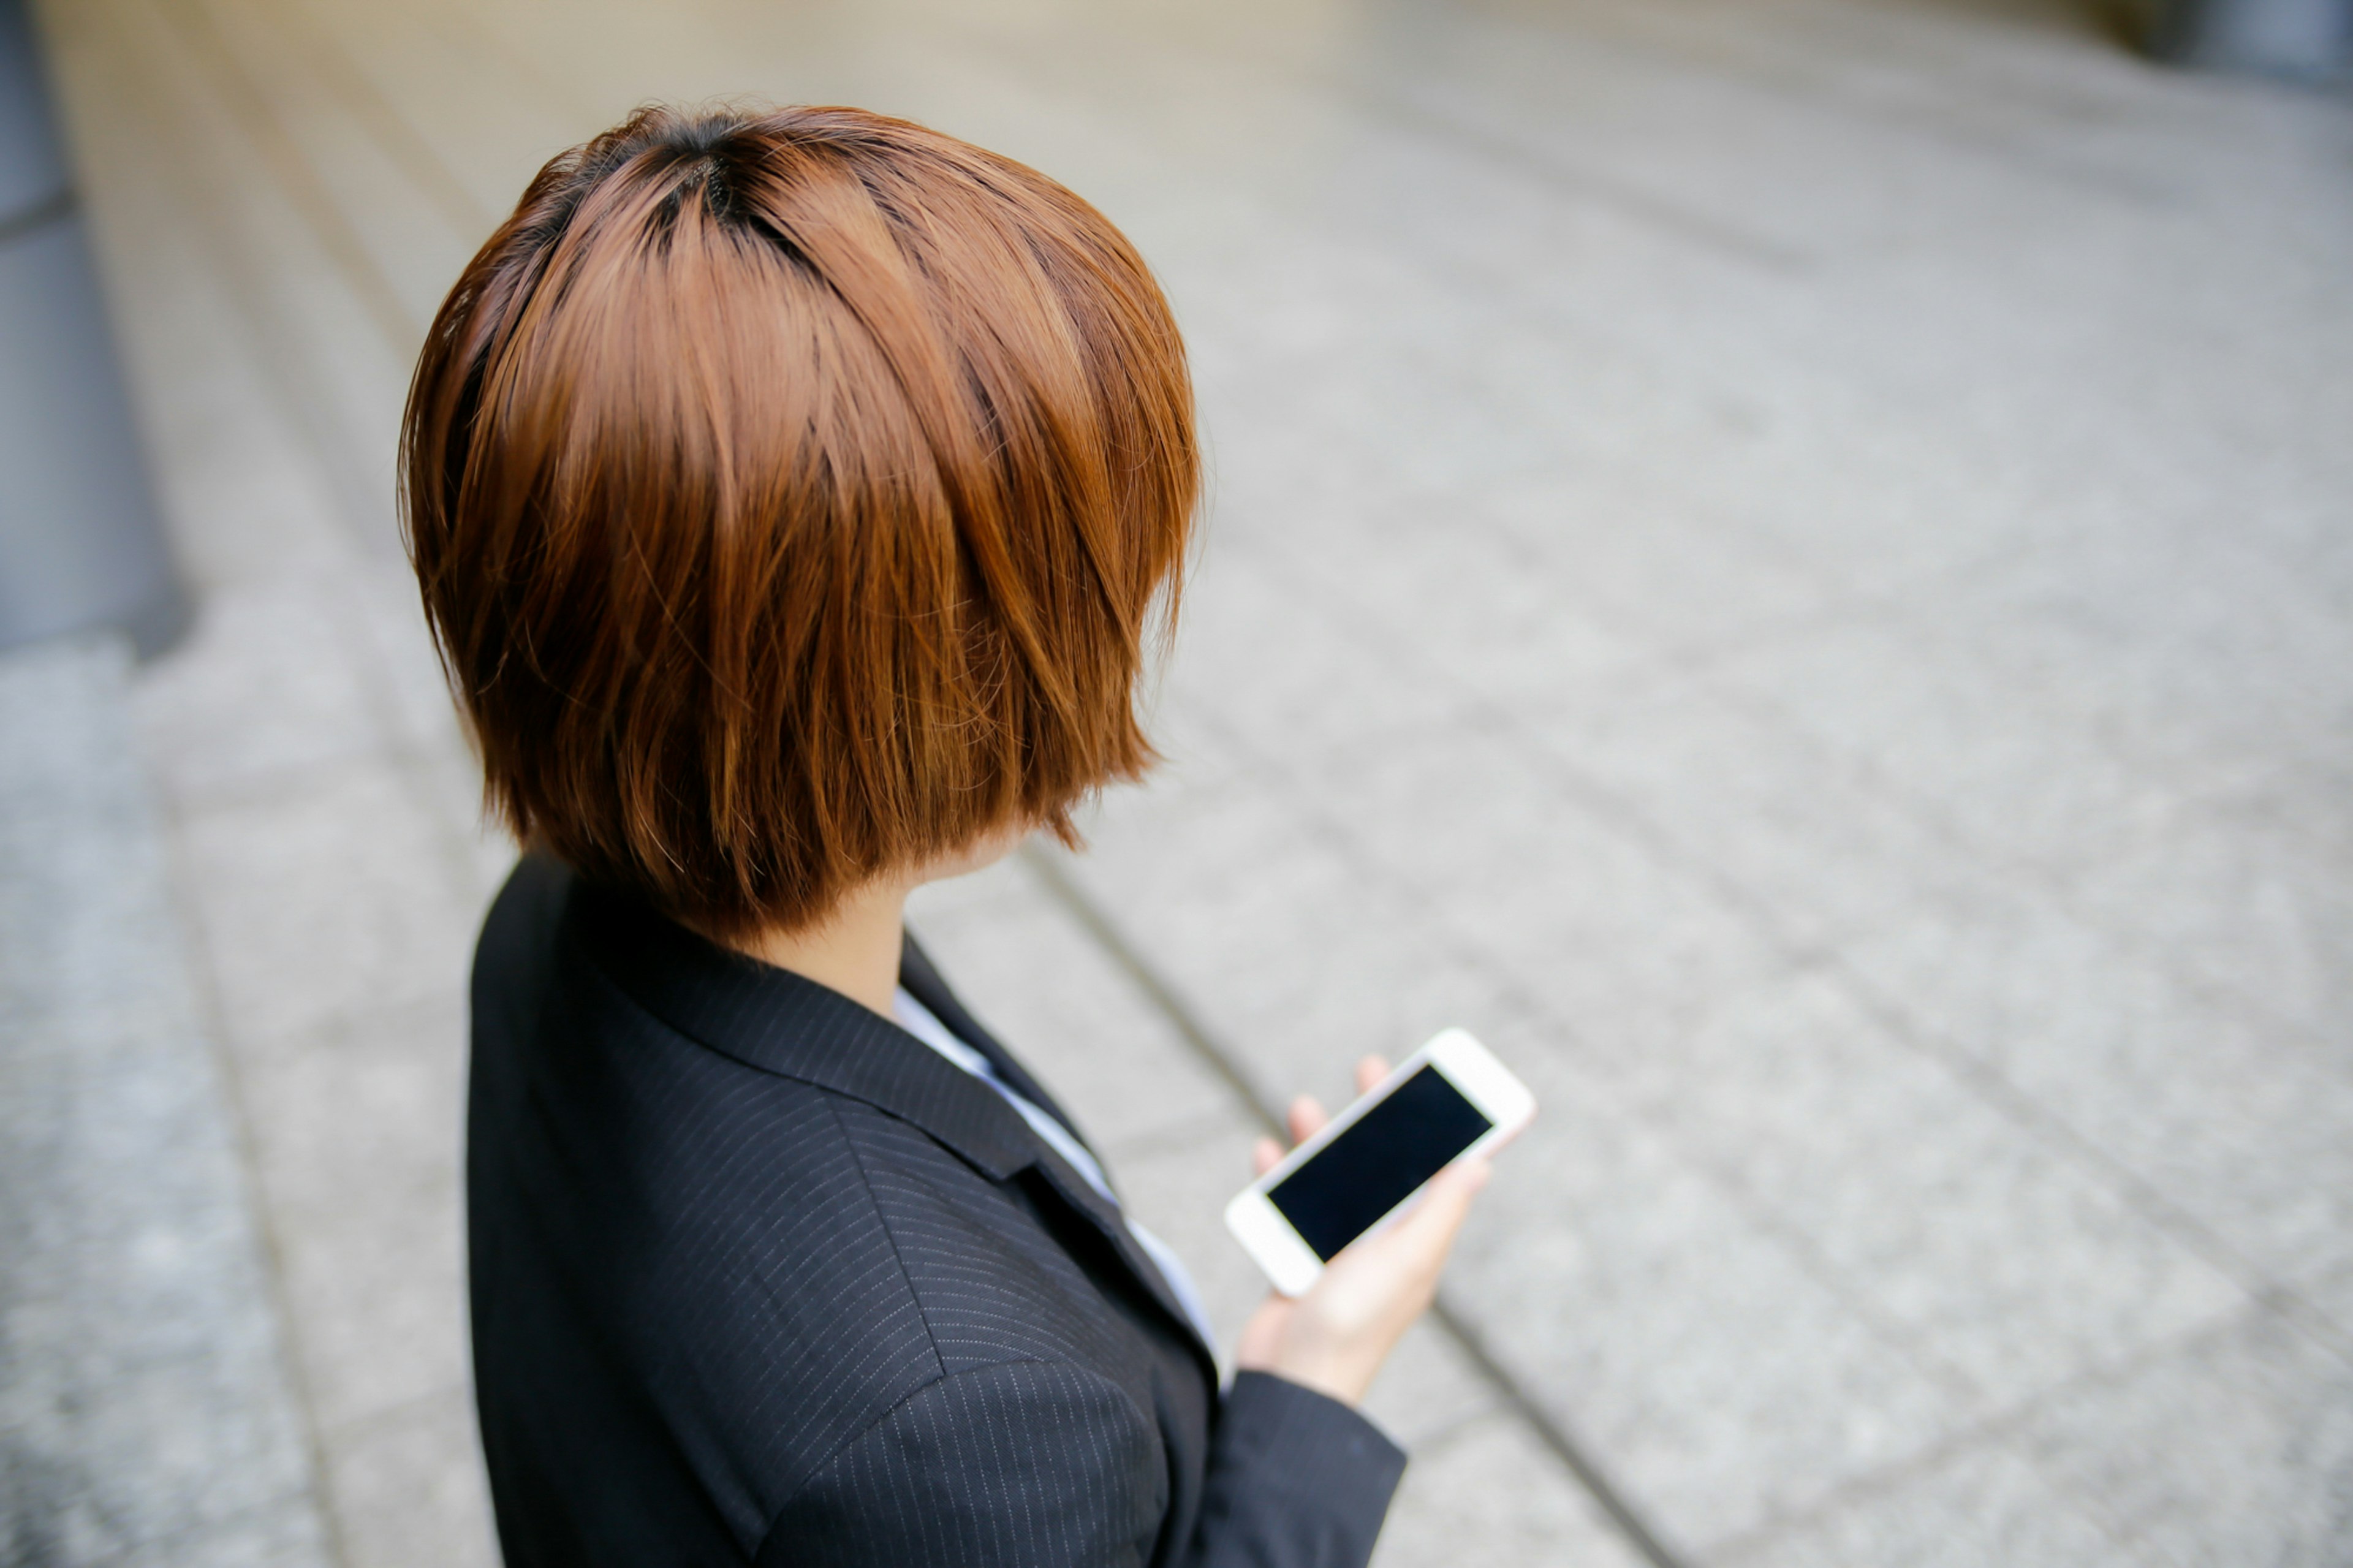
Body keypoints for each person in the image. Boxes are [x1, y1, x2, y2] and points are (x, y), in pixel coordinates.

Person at [401, 103, 1494, 1568]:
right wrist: (1311, 1389)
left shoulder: (555, 917)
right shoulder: (967, 1429)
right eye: (1081, 585)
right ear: (919, 676)